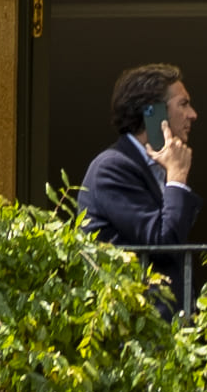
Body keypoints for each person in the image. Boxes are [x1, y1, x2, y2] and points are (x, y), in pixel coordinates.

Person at [75, 63, 197, 260]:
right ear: (153, 112)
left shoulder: (158, 167)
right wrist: (177, 178)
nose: (193, 114)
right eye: (183, 104)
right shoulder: (111, 168)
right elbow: (164, 246)